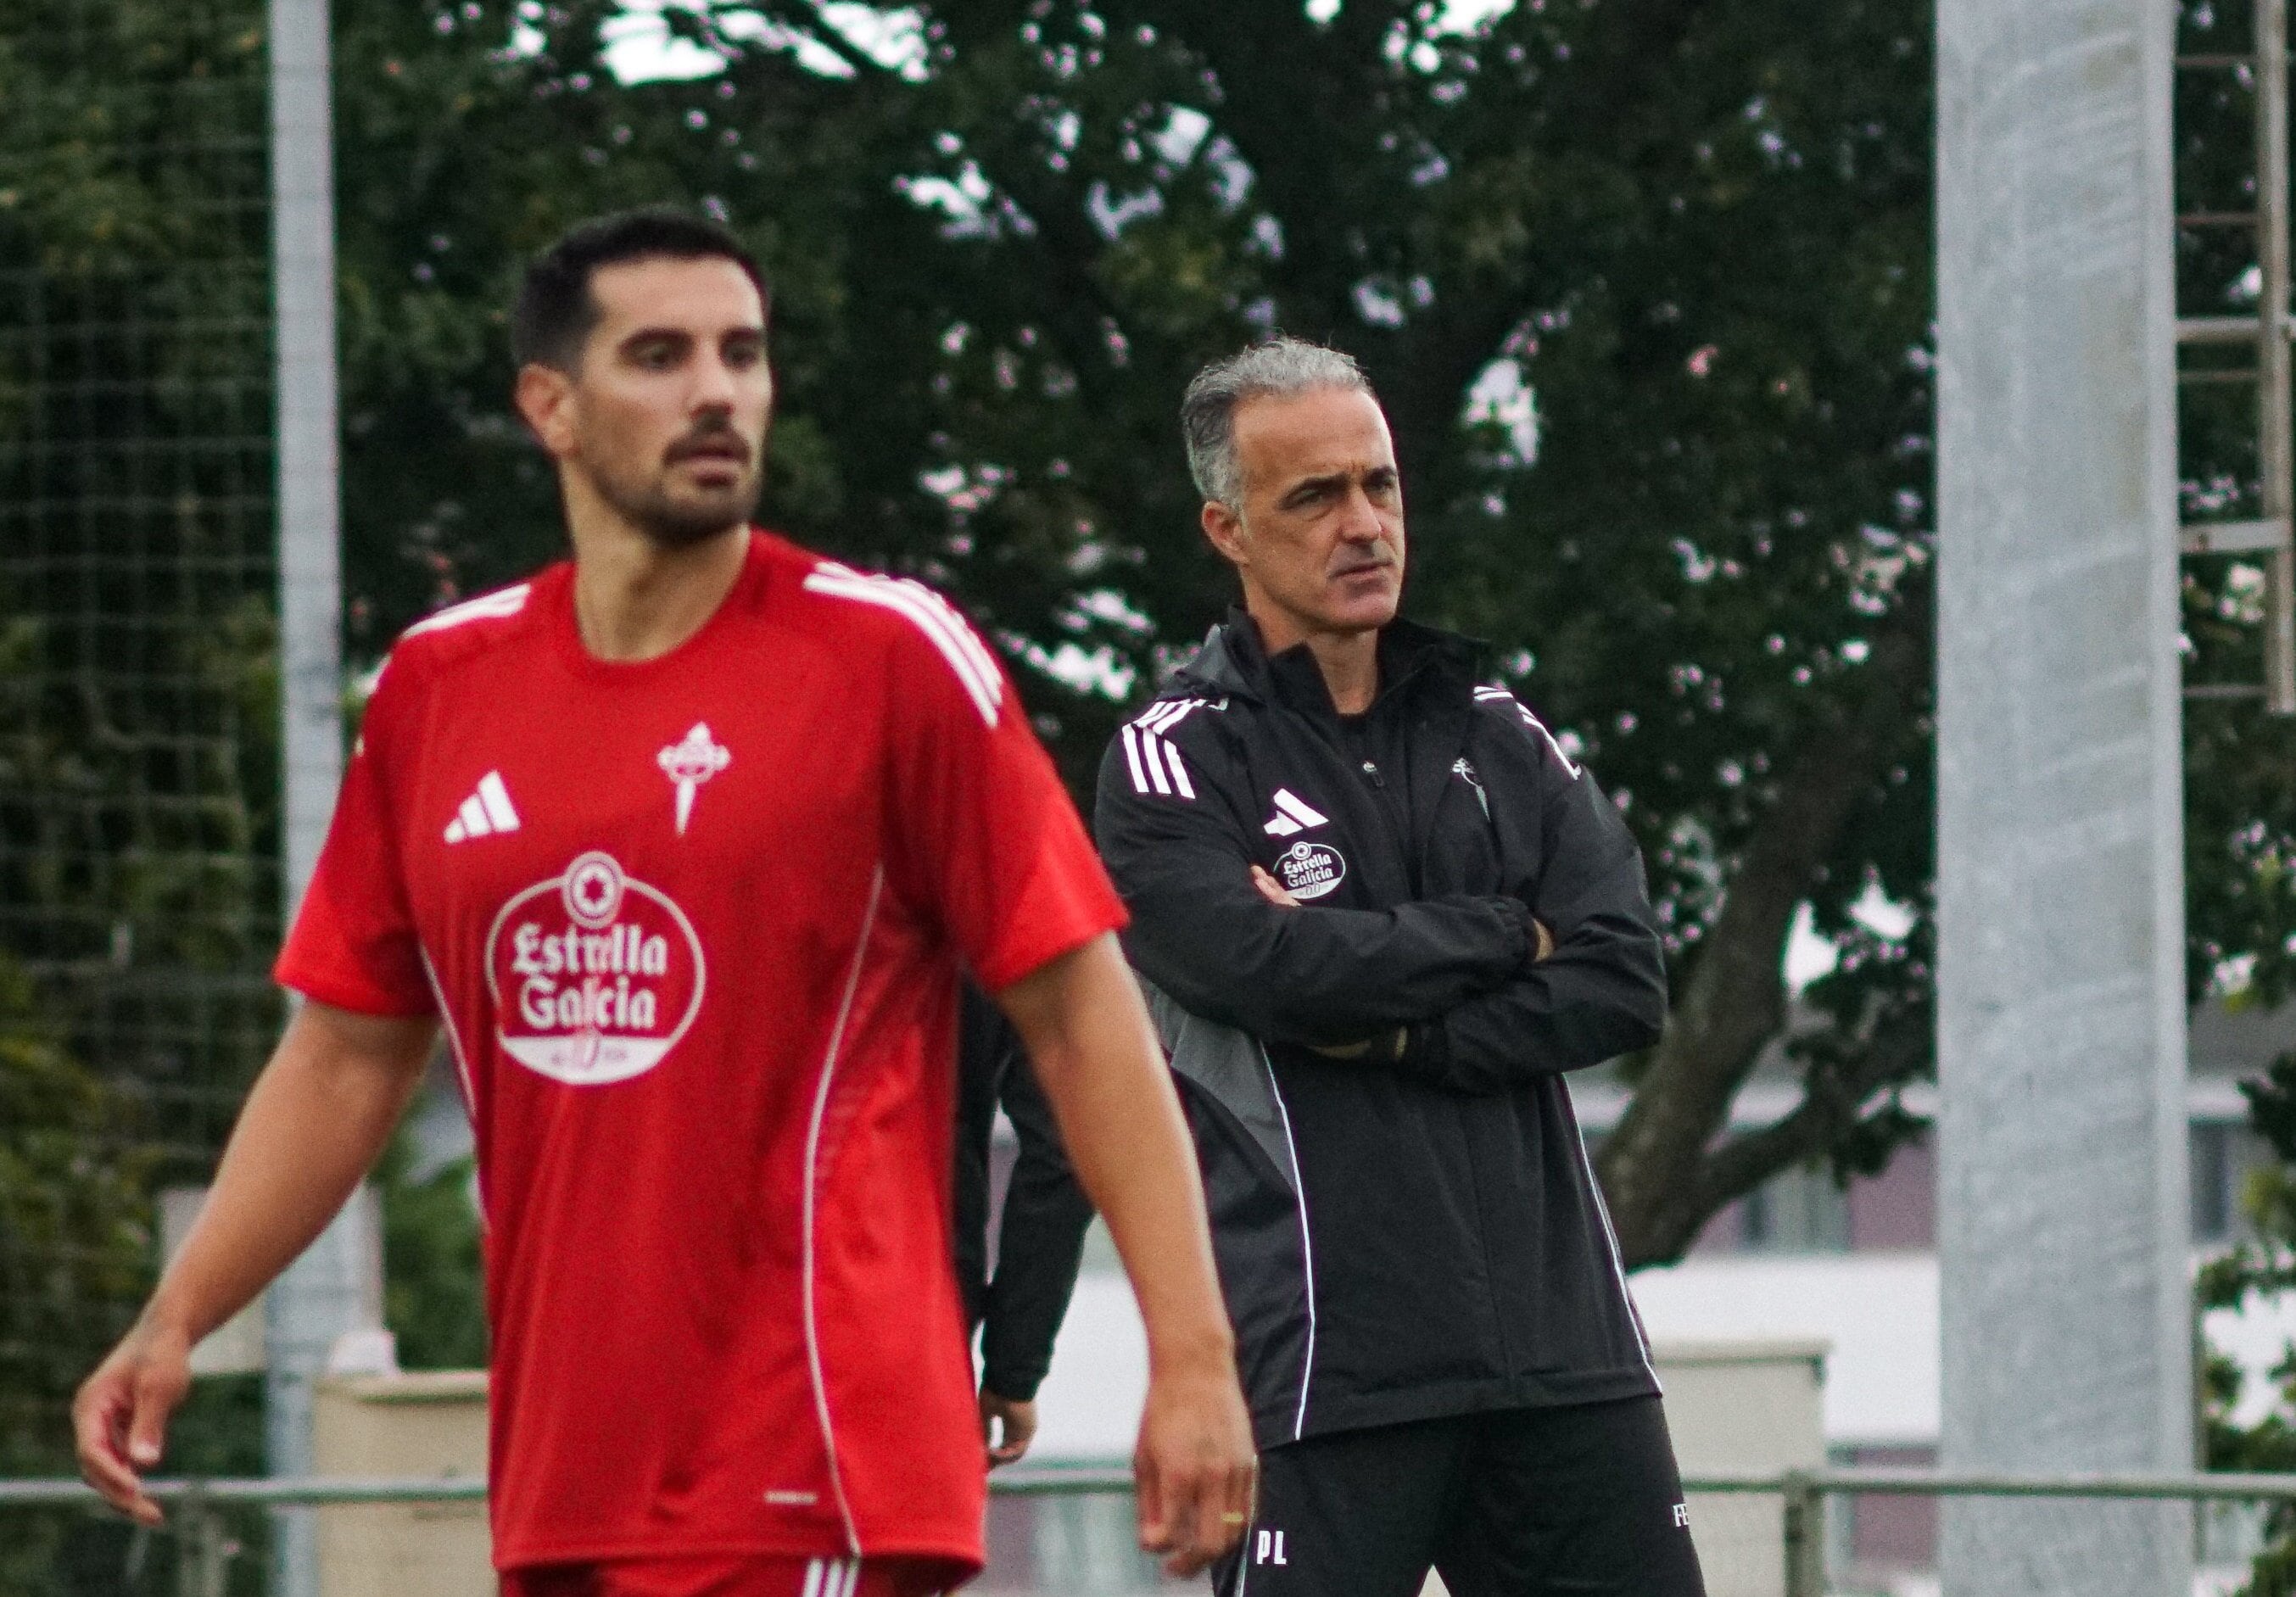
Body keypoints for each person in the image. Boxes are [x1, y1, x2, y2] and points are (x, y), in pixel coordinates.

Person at [73, 209, 1254, 1597]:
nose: (716, 389)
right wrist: (178, 1314)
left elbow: (1077, 1015)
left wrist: (1192, 1356)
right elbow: (345, 1050)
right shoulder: (437, 688)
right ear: (550, 406)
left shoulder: (889, 661)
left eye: (741, 353)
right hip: (567, 1481)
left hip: (811, 1459)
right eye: (660, 354)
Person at [1093, 337, 1701, 1597]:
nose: (1361, 523)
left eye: (1377, 485)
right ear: (1229, 529)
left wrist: (1402, 1028)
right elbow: (1264, 969)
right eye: (1313, 496)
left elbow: (1622, 973)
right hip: (1328, 1363)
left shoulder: (1499, 727)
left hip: (1564, 1357)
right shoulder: (1171, 758)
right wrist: (1497, 927)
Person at [952, 985, 1094, 1466]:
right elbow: (1067, 1147)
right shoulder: (980, 914)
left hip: (737, 1309)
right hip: (913, 1311)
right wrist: (1014, 1364)